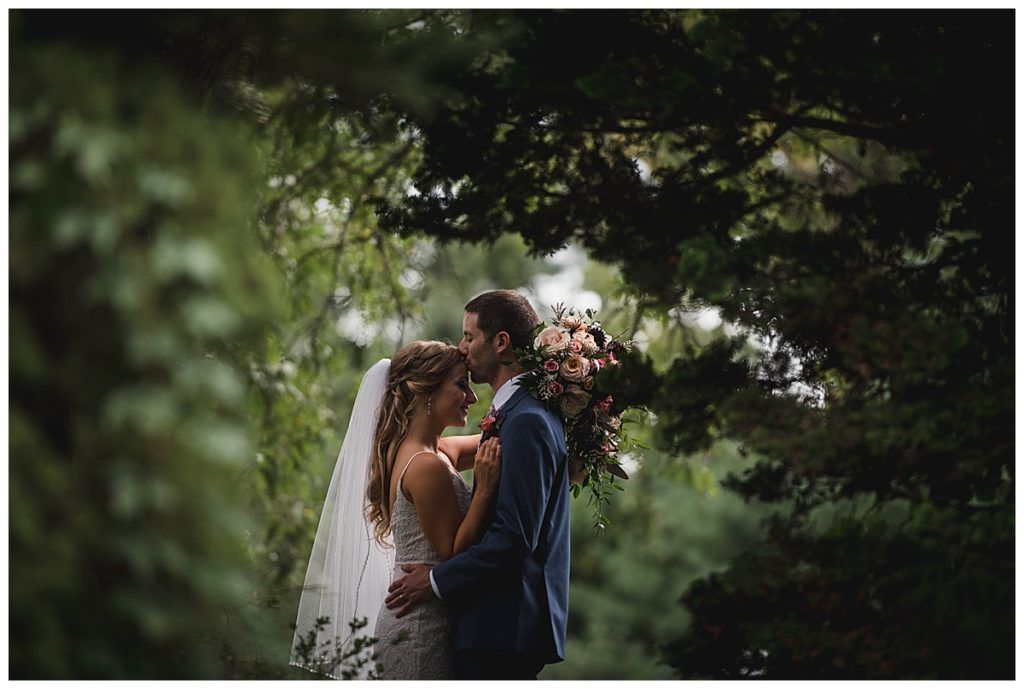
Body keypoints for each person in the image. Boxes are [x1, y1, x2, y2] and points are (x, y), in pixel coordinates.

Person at [385, 290, 571, 680]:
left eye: (469, 337)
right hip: (483, 627)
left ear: (500, 342)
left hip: (501, 627)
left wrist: (435, 581)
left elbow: (515, 537)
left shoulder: (528, 420)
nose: (462, 347)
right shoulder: (512, 417)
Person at [290, 340, 501, 680]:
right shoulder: (425, 465)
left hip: (424, 620)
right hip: (421, 631)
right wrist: (485, 491)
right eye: (462, 385)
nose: (473, 398)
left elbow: (503, 436)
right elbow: (451, 551)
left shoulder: (430, 451)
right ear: (425, 391)